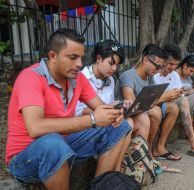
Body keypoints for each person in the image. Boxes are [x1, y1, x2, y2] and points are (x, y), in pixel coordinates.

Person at [5, 28, 131, 190]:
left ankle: (99, 187)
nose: (79, 64)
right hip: (25, 158)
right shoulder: (31, 77)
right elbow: (35, 128)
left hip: (63, 144)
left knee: (119, 126)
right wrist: (93, 119)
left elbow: (102, 108)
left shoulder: (78, 78)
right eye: (72, 57)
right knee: (53, 143)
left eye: (81, 58)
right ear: (53, 56)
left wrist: (114, 114)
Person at [75, 40, 150, 169]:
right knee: (127, 124)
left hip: (106, 118)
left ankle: (137, 163)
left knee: (140, 118)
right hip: (86, 123)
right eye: (111, 63)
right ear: (98, 58)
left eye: (117, 65)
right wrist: (106, 112)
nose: (114, 69)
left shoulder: (109, 79)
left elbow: (106, 104)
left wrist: (119, 104)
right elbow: (77, 110)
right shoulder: (82, 77)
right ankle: (116, 170)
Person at [119, 44, 179, 160]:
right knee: (155, 112)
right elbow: (132, 108)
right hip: (129, 117)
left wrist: (165, 98)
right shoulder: (128, 77)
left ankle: (150, 151)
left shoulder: (149, 77)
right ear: (145, 60)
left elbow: (151, 100)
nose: (158, 71)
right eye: (157, 67)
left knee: (169, 108)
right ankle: (147, 154)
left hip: (141, 115)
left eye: (161, 67)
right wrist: (162, 98)